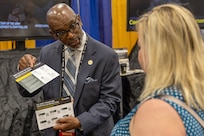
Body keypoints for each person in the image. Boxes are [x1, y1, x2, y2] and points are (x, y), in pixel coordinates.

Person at [18, 3, 122, 136]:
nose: (71, 35)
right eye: (62, 32)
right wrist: (24, 70)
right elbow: (27, 91)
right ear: (54, 34)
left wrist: (80, 121)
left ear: (79, 20)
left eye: (73, 26)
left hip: (92, 131)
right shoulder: (47, 53)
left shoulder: (106, 55)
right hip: (56, 131)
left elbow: (110, 100)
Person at [111, 3, 204, 136]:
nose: (139, 54)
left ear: (155, 52)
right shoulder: (193, 96)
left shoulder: (157, 111)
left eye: (140, 46)